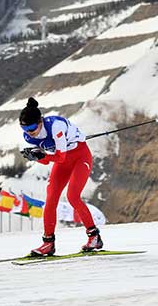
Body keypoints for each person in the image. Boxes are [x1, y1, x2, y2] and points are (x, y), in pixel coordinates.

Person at [19, 97, 103, 256]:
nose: (29, 132)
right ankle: (48, 243)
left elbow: (60, 157)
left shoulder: (55, 126)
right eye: (24, 128)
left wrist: (42, 156)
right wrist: (36, 157)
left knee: (73, 196)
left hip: (80, 156)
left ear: (40, 121)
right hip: (62, 161)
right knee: (50, 199)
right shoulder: (29, 136)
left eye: (32, 127)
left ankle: (94, 237)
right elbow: (47, 161)